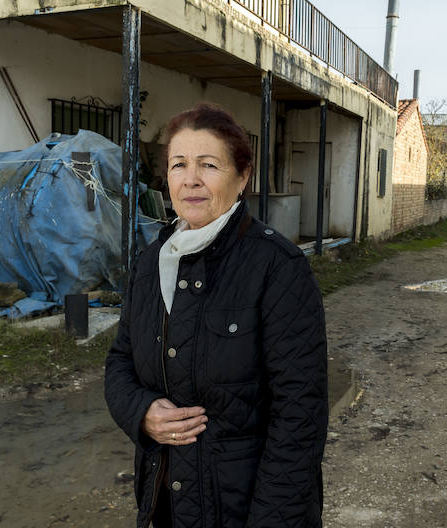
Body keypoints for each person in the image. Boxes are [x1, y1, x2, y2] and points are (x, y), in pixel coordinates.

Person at [105, 102, 329, 528]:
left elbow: (300, 414)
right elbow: (121, 359)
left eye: (209, 165)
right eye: (178, 165)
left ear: (242, 177)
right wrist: (141, 412)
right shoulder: (153, 262)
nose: (190, 179)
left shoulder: (277, 266)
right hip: (165, 502)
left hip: (247, 510)